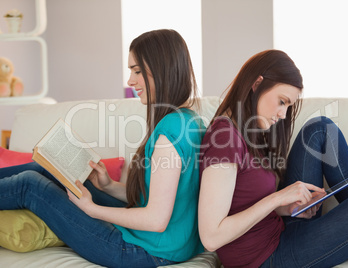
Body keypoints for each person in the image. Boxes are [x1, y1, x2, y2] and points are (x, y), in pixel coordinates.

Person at [0, 29, 205, 268]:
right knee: (48, 169)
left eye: (137, 71)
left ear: (163, 69)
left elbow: (156, 219)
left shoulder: (169, 134)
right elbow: (163, 197)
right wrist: (109, 186)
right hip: (165, 243)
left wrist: (92, 209)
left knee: (30, 185)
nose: (130, 81)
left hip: (143, 250)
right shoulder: (189, 120)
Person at [198, 49, 348, 268]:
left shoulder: (246, 130)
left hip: (280, 230)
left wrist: (287, 207)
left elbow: (241, 202)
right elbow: (211, 237)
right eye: (282, 101)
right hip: (267, 258)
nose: (283, 114)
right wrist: (277, 198)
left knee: (320, 129)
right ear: (257, 84)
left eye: (289, 106)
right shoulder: (225, 139)